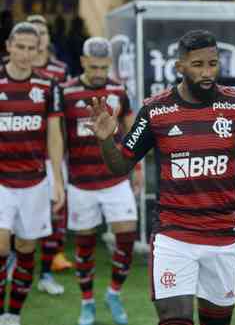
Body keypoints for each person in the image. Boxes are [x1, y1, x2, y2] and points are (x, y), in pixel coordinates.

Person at [86, 30, 235, 325]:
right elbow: (120, 165)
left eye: (213, 63)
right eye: (198, 65)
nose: (207, 72)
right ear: (179, 67)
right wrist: (106, 140)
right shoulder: (156, 110)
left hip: (223, 236)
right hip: (174, 235)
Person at [61, 37, 143, 325]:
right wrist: (59, 178)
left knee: (127, 237)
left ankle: (113, 293)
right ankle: (87, 302)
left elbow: (132, 129)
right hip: (80, 182)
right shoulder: (66, 92)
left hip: (115, 178)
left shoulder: (118, 90)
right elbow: (58, 136)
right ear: (82, 62)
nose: (98, 72)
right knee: (84, 243)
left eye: (103, 66)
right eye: (93, 66)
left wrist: (138, 168)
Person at [0, 22, 65, 325]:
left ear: (39, 50)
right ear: (8, 46)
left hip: (34, 181)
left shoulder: (47, 87)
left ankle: (13, 314)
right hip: (1, 181)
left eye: (32, 48)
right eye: (20, 47)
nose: (26, 54)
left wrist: (58, 181)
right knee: (1, 246)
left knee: (27, 248)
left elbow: (54, 136)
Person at [25, 15, 73, 297]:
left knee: (56, 214)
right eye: (34, 33)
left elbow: (64, 115)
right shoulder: (14, 70)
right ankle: (18, 268)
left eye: (42, 32)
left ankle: (45, 272)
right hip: (21, 157)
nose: (39, 38)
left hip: (53, 154)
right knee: (22, 217)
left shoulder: (60, 70)